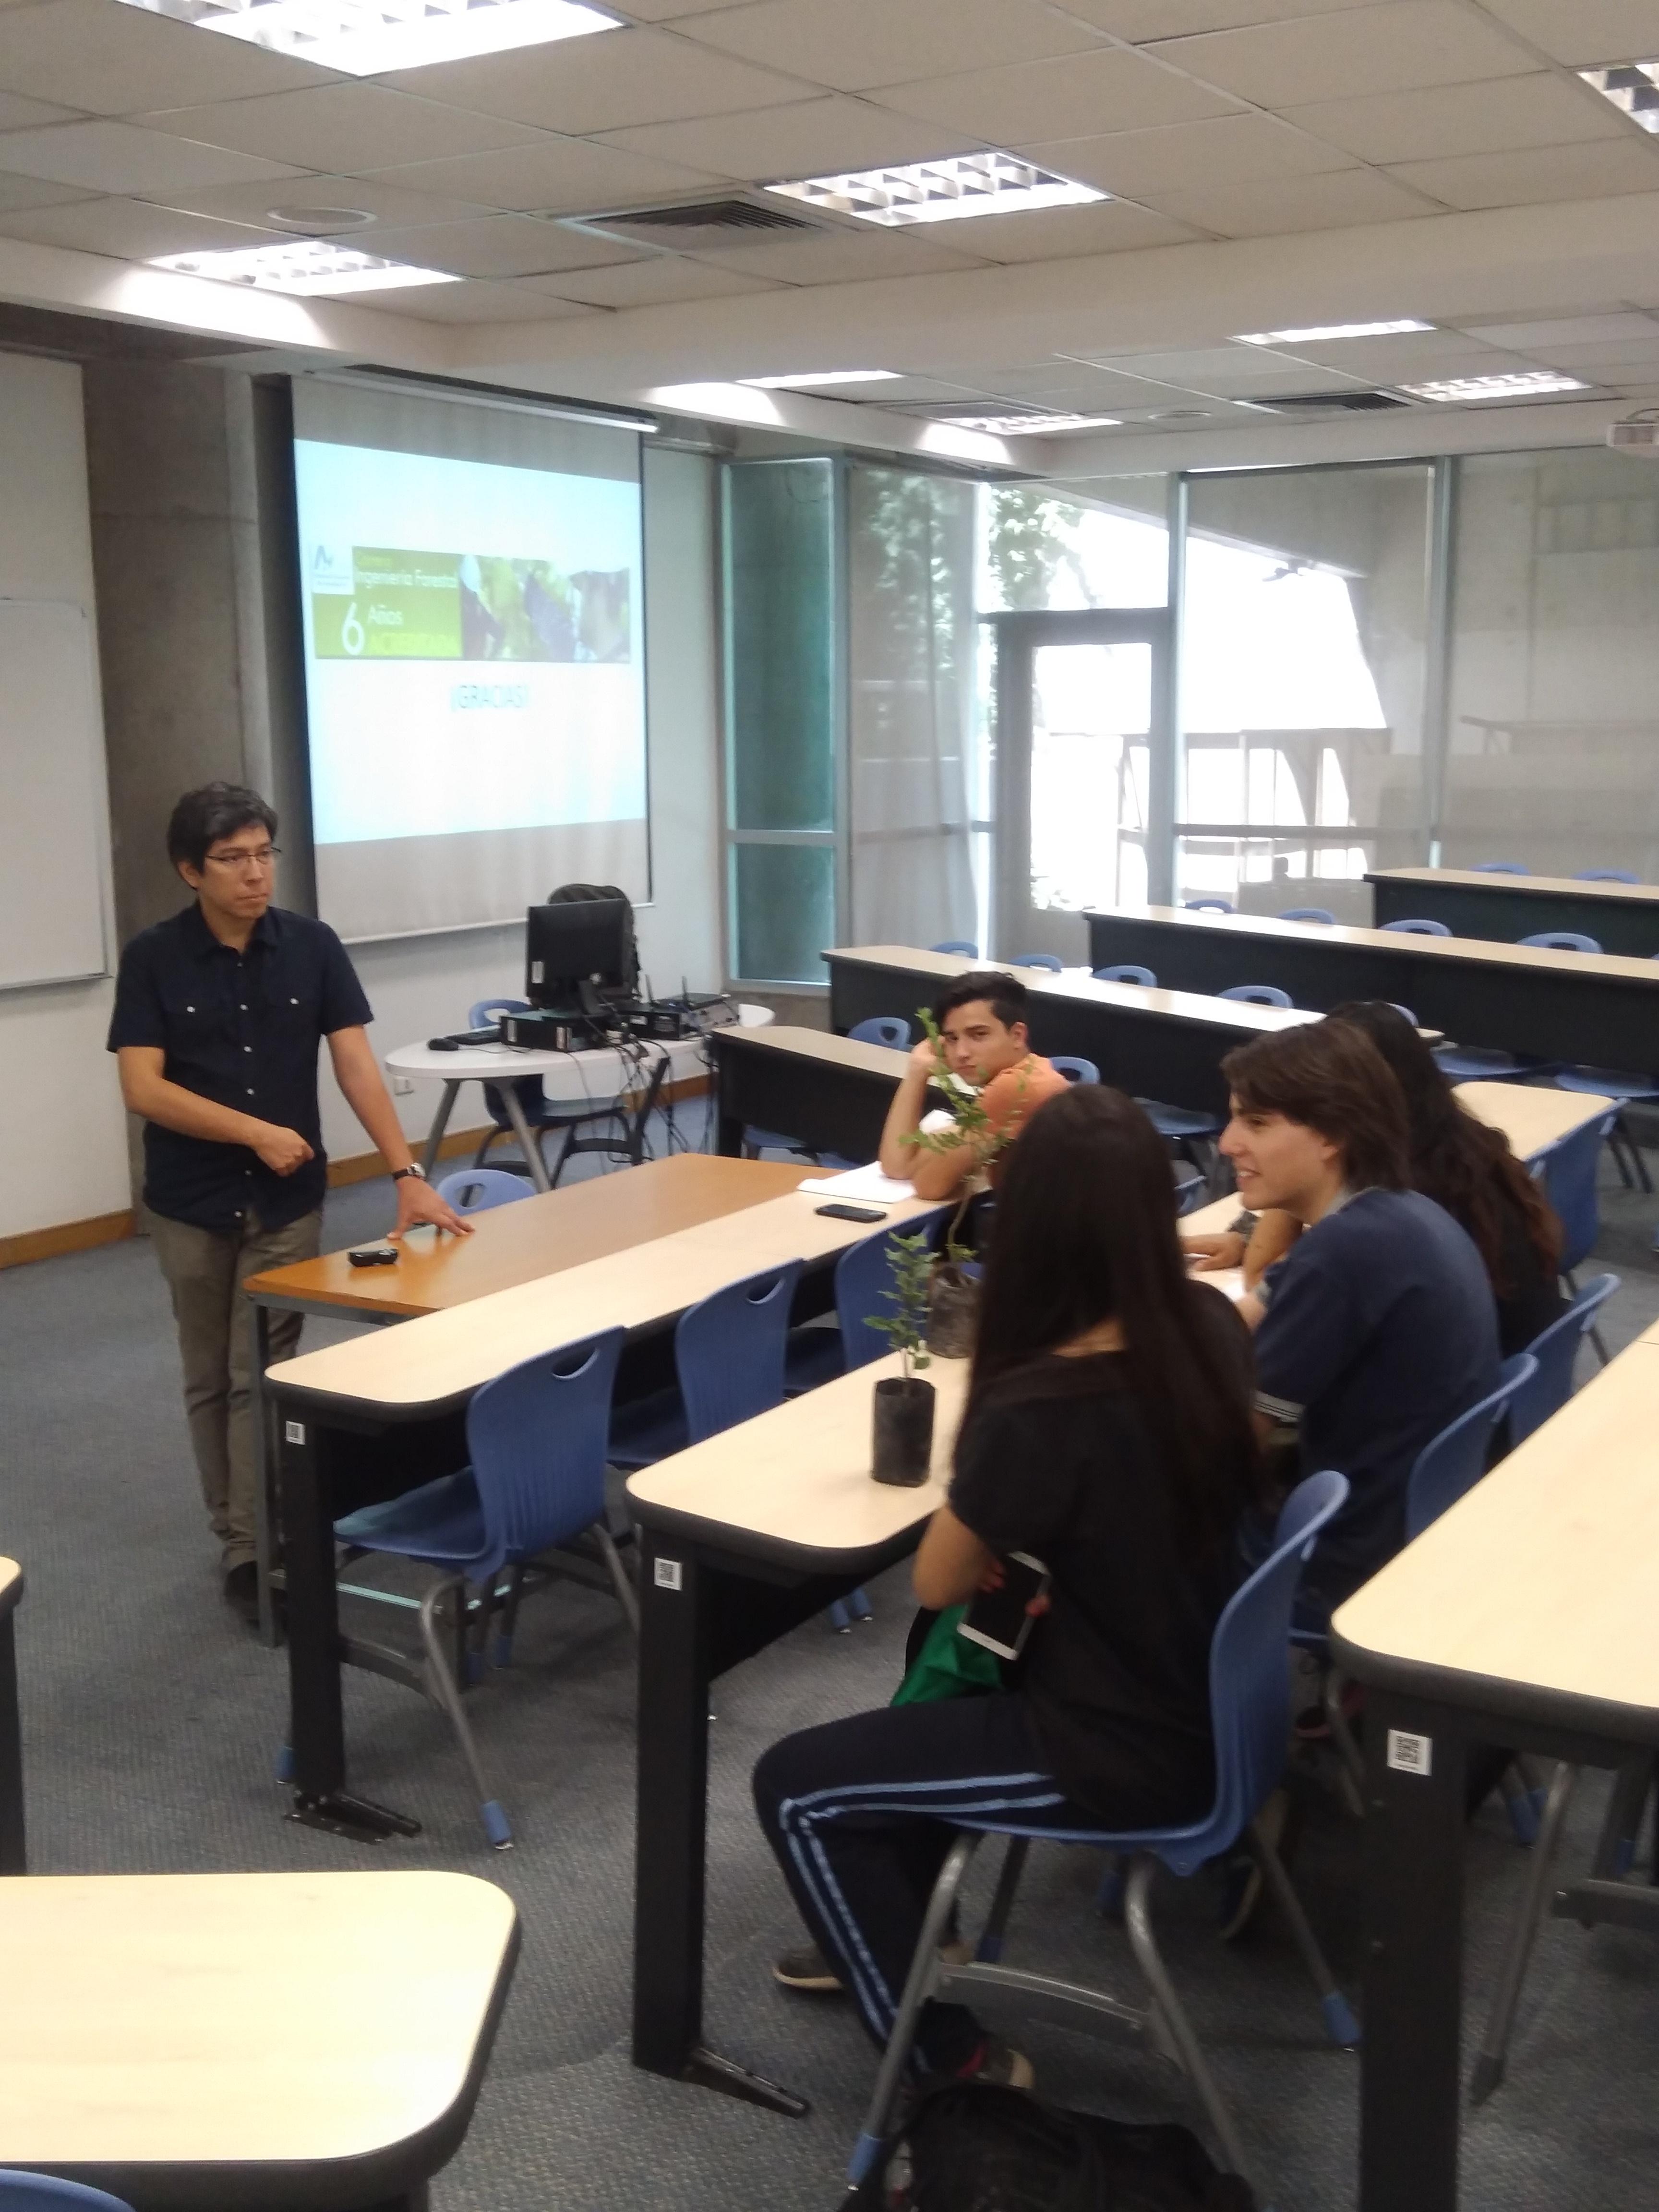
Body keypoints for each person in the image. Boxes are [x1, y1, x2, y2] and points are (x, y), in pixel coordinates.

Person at [754, 1084, 1263, 2083]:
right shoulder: (1208, 1323)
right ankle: (916, 1928)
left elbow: (941, 1579)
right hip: (1203, 1692)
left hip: (1119, 1742)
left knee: (796, 1786)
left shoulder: (1040, 1402)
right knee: (943, 1693)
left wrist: (994, 1484)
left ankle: (953, 2068)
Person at [107, 783, 469, 1624]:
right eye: (233, 858)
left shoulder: (312, 945)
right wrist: (253, 1130)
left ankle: (255, 1547)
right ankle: (236, 1533)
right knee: (208, 1376)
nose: (256, 872)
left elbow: (354, 1065)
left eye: (265, 852)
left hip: (284, 1203)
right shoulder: (154, 956)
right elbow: (143, 1086)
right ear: (190, 869)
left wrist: (405, 1170)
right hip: (191, 1202)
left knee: (255, 1376)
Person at [1215, 1021, 1499, 1628]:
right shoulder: (1399, 1210)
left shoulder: (1345, 1254)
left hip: (1346, 1554)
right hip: (1413, 1518)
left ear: (1333, 1136)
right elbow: (1248, 1314)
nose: (1227, 1144)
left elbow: (1235, 1441)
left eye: (1256, 1124)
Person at [1187, 1004, 1564, 1358]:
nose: (1227, 1144)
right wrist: (1251, 1233)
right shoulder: (1456, 1146)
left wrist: (1294, 1189)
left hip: (1477, 1372)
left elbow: (1267, 1283)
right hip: (1502, 1375)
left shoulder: (1394, 1202)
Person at [876, 971, 1070, 1201]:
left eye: (978, 1035)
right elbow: (898, 1167)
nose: (962, 1053)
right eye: (952, 1039)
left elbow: (928, 1187)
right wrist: (918, 1070)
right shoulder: (1034, 1071)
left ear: (1018, 1035)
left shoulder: (1016, 1087)